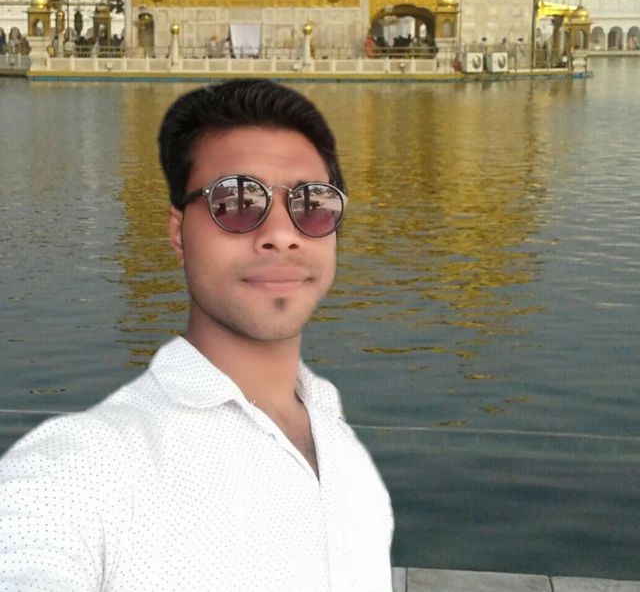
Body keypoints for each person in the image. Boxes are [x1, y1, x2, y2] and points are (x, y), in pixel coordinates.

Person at [0, 79, 394, 591]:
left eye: (312, 203)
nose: (281, 234)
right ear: (178, 233)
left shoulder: (344, 450)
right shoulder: (84, 466)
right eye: (235, 202)